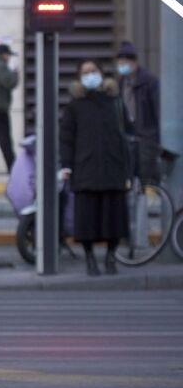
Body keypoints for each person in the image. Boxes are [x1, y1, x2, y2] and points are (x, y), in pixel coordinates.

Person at [60, 60, 131, 277]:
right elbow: (66, 139)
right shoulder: (74, 106)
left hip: (113, 169)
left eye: (94, 71)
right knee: (87, 220)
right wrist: (67, 166)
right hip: (86, 170)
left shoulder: (115, 102)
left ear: (102, 73)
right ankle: (90, 259)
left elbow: (127, 134)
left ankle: (111, 258)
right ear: (79, 78)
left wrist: (128, 169)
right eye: (85, 72)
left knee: (114, 219)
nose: (90, 75)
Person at [114, 41, 162, 184]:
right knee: (127, 177)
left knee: (148, 178)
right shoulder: (120, 83)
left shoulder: (149, 82)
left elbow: (157, 110)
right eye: (121, 60)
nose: (123, 63)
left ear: (134, 61)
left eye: (127, 59)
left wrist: (156, 139)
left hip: (147, 138)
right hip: (127, 138)